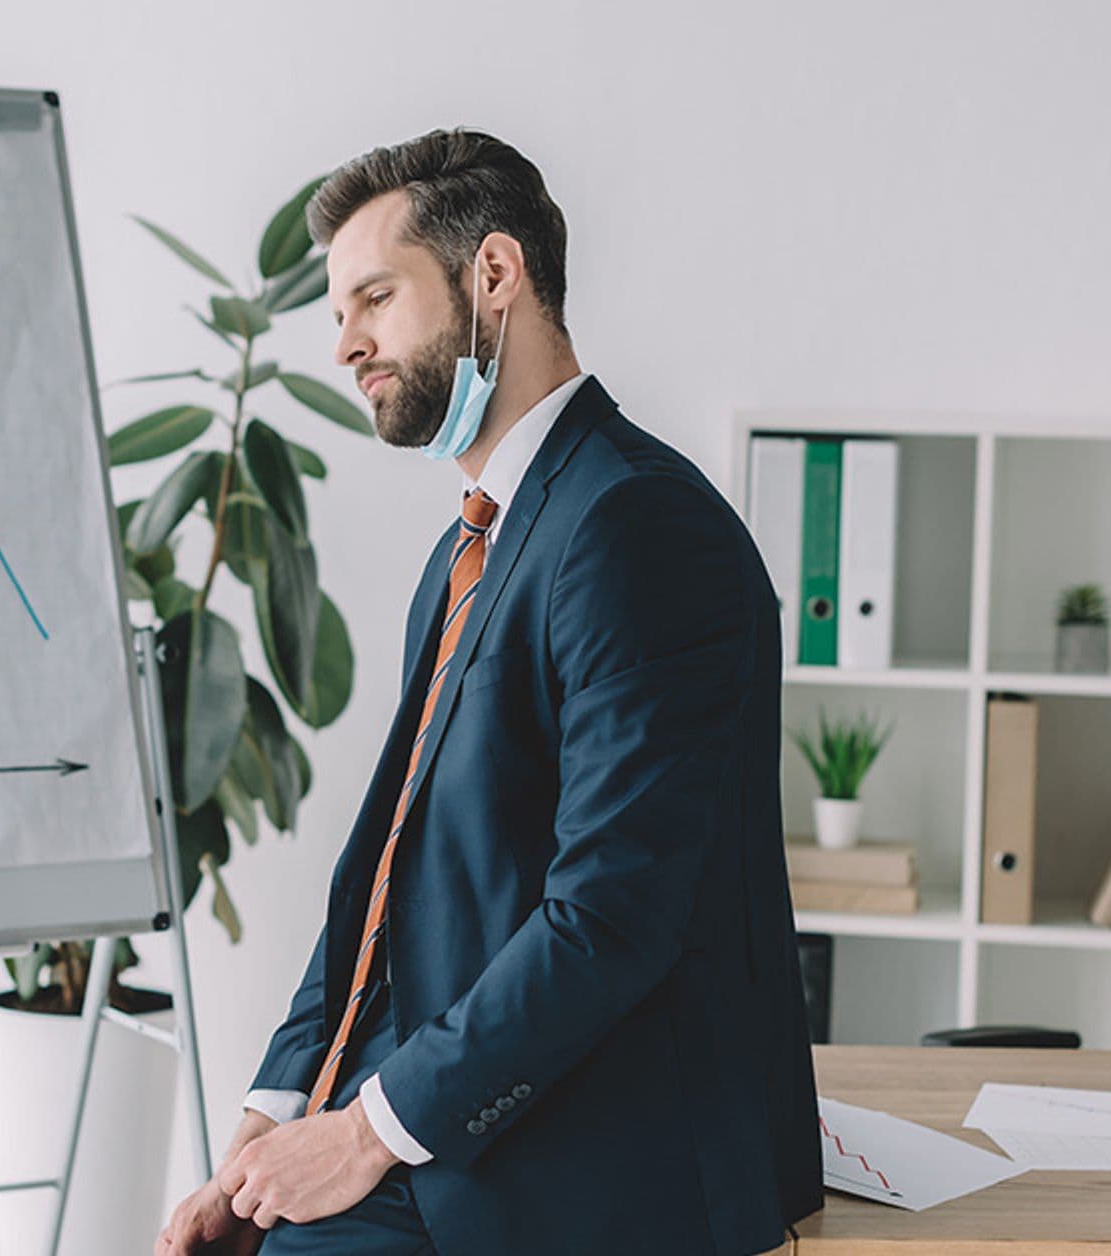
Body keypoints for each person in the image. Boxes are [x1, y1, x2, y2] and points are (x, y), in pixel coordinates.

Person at [157, 127, 819, 1256]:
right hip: (459, 1112)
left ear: (494, 276)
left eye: (375, 298)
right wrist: (269, 1124)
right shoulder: (475, 545)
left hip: (590, 1152)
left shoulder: (635, 524)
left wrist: (366, 1131)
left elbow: (609, 917)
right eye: (337, 317)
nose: (349, 344)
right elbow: (384, 889)